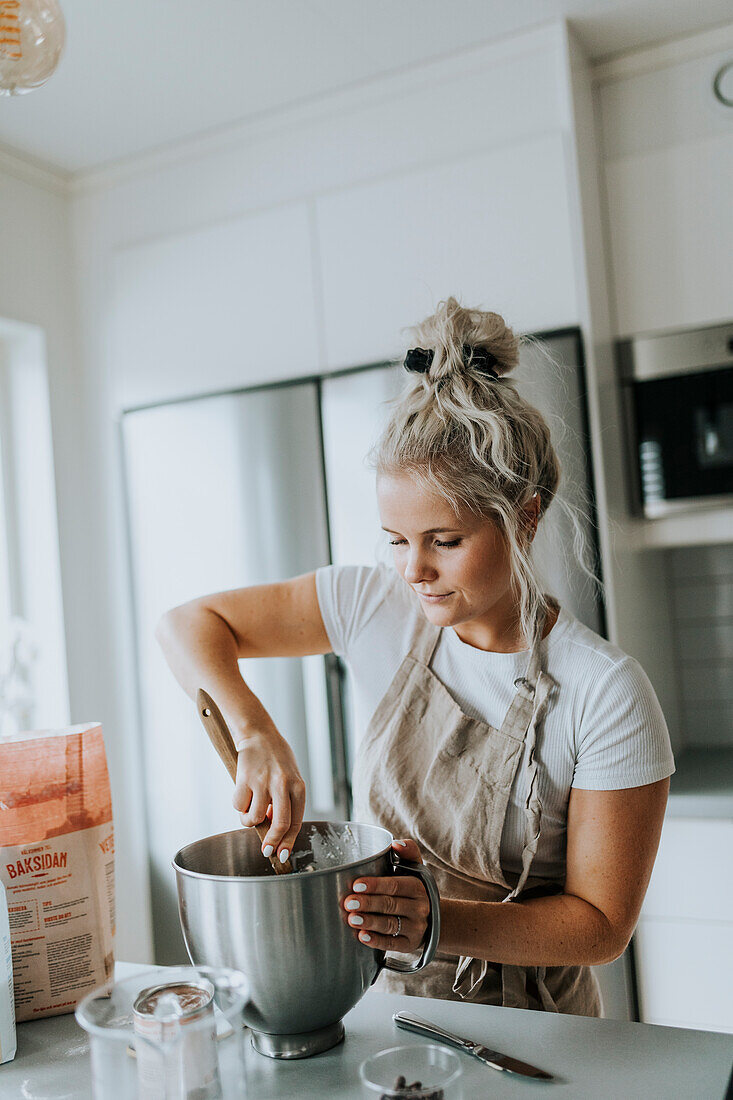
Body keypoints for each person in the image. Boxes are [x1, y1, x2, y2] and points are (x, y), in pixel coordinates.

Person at [156, 297, 674, 1015]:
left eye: (445, 540)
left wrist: (433, 918)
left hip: (534, 1031)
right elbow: (187, 623)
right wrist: (253, 732)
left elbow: (598, 928)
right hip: (381, 1007)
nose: (413, 570)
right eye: (397, 540)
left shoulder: (603, 691)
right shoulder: (376, 608)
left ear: (523, 519)